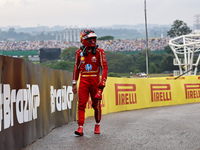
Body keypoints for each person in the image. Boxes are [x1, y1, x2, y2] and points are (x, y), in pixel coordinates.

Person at [72, 29, 108, 136]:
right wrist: (74, 83)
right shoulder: (79, 53)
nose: (93, 40)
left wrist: (102, 82)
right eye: (90, 38)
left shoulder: (100, 52)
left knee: (96, 104)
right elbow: (76, 68)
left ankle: (97, 124)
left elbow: (104, 68)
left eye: (94, 38)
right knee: (81, 104)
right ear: (83, 39)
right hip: (83, 80)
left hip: (95, 81)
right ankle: (80, 127)